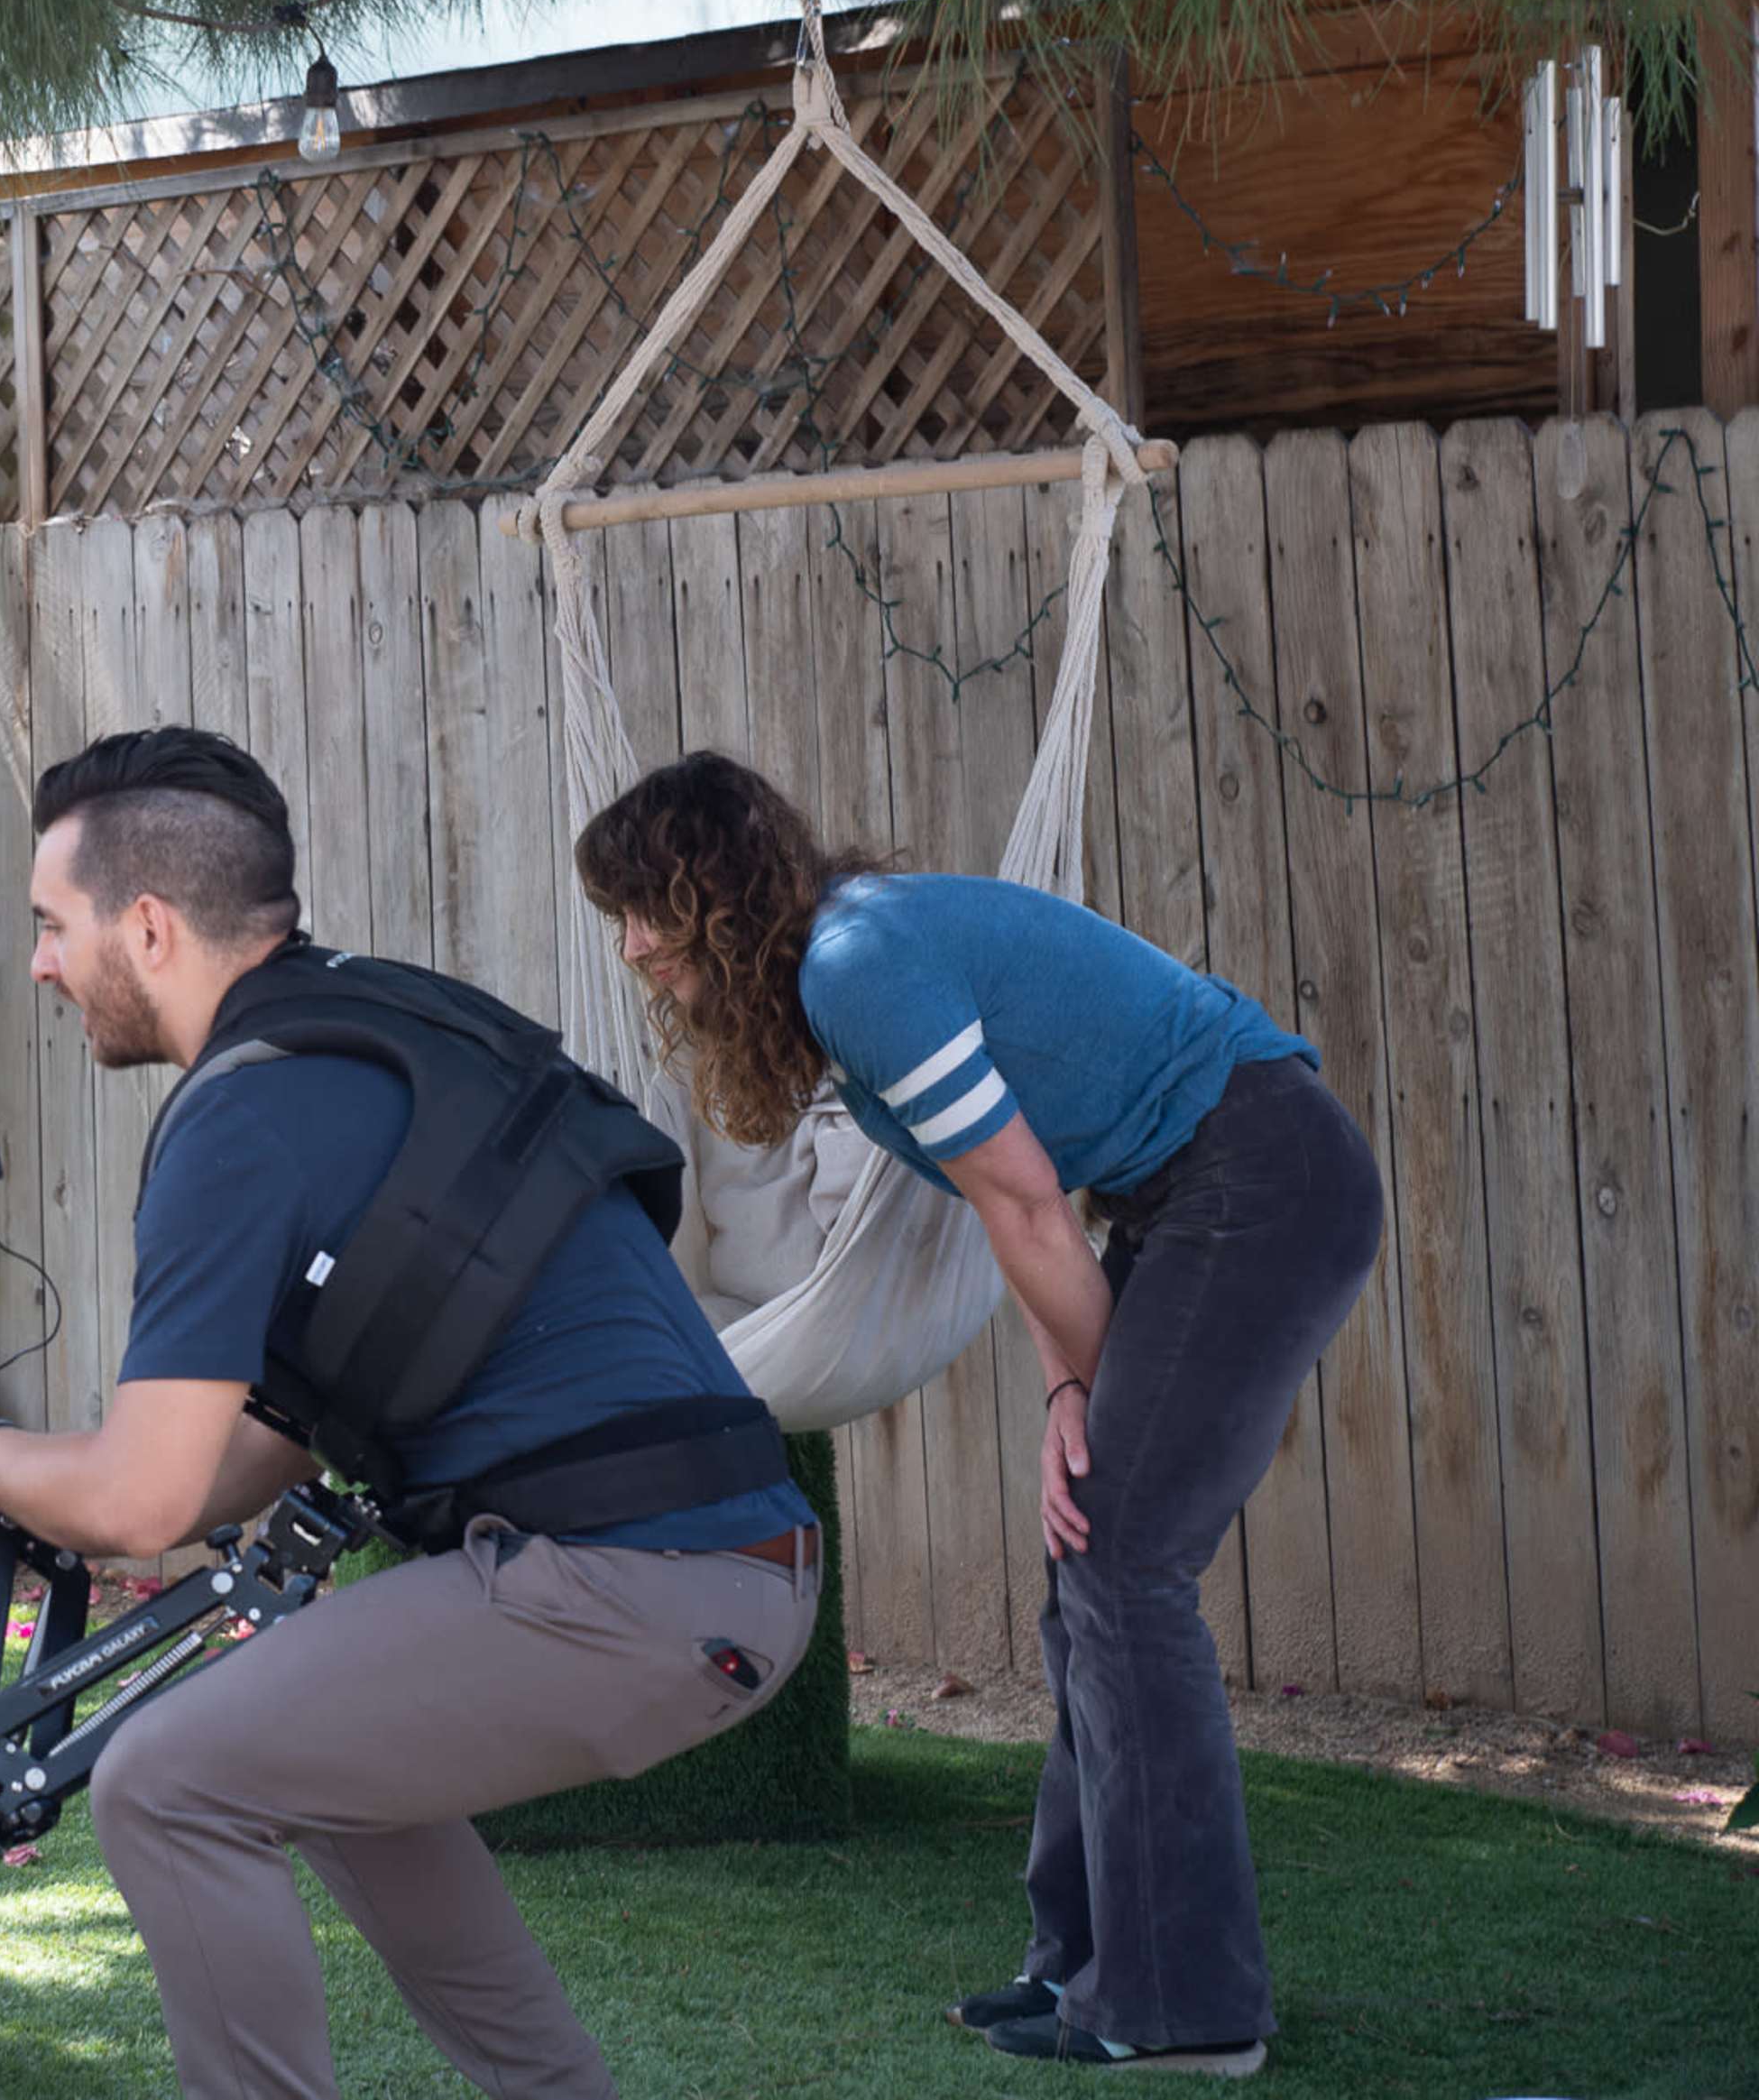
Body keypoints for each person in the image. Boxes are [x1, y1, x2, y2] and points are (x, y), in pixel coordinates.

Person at [0, 725, 822, 2100]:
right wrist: (11, 1496)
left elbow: (142, 1496)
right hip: (714, 1559)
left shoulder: (237, 1119)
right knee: (305, 1748)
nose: (39, 963)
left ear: (145, 925)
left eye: (49, 924)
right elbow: (238, 1460)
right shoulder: (376, 1030)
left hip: (636, 1577)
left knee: (166, 1781)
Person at [574, 750, 1384, 2079]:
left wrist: (1113, 1401)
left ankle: (1189, 2008)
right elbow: (1014, 1203)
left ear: (708, 891)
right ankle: (1083, 1967)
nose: (632, 947)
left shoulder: (856, 963)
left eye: (642, 909)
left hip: (1264, 1177)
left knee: (1124, 1560)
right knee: (1091, 1566)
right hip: (1184, 1200)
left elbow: (1024, 1205)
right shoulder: (841, 976)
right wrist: (1076, 1386)